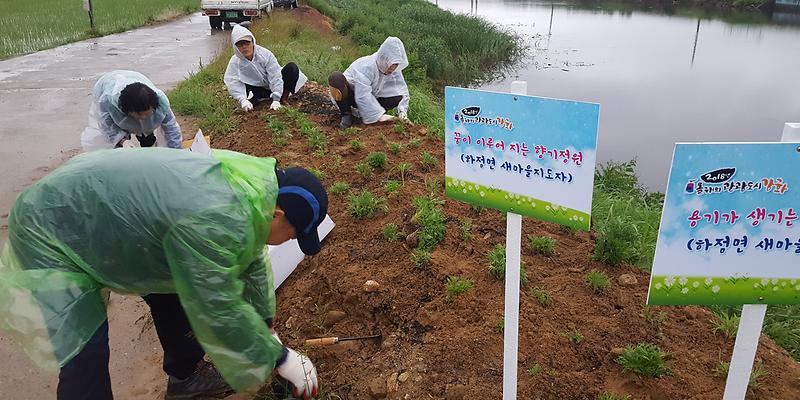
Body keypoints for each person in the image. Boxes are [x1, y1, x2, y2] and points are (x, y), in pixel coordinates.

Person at [0, 148, 327, 400]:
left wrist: (266, 323)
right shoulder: (217, 219)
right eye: (295, 235)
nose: (291, 241)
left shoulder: (254, 192)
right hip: (51, 224)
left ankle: (184, 376)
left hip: (108, 213)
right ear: (279, 215)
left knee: (172, 286)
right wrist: (280, 357)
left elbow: (254, 263)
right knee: (85, 346)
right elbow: (217, 306)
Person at [81, 70, 183, 151]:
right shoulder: (107, 102)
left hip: (136, 79)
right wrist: (122, 141)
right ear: (127, 111)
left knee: (147, 137)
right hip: (106, 85)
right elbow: (107, 126)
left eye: (147, 115)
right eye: (139, 115)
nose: (143, 118)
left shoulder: (161, 102)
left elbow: (171, 128)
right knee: (122, 149)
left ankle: (148, 146)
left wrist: (177, 152)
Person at [328, 36, 411, 129]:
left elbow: (402, 91)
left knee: (398, 97)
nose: (393, 68)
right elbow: (362, 94)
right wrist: (379, 116)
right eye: (392, 64)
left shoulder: (394, 70)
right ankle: (346, 114)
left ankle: (375, 116)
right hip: (352, 96)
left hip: (373, 96)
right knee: (336, 78)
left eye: (396, 64)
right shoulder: (367, 66)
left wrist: (402, 113)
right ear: (385, 57)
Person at [225, 25, 307, 113]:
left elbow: (275, 75)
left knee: (292, 68)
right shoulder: (235, 61)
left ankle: (283, 98)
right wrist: (242, 100)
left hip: (272, 85)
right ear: (236, 47)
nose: (244, 47)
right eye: (240, 44)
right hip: (257, 89)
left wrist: (276, 98)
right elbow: (232, 81)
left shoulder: (265, 55)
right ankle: (253, 100)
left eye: (247, 43)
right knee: (245, 89)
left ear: (253, 42)